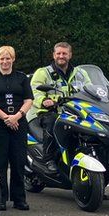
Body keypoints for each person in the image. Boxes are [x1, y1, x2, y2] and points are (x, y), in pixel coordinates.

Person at [0, 46, 34, 211]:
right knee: (0, 162)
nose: (5, 61)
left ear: (13, 59)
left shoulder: (21, 78)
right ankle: (1, 198)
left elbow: (28, 100)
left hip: (18, 124)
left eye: (8, 58)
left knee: (19, 162)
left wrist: (16, 116)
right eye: (2, 59)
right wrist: (5, 117)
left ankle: (19, 199)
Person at [29, 42, 76, 170]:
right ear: (54, 55)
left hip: (73, 112)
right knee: (53, 121)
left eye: (64, 53)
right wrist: (44, 100)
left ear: (70, 55)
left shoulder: (80, 73)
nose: (61, 56)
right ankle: (48, 159)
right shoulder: (43, 72)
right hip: (43, 112)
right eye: (59, 53)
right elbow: (34, 90)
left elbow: (90, 87)